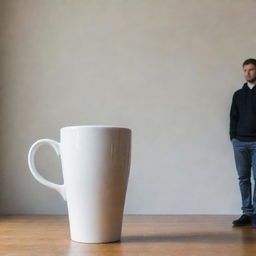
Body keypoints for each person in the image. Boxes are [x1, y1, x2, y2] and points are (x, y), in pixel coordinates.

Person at [230, 58, 256, 227]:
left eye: (251, 69)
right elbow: (233, 117)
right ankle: (246, 213)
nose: (248, 73)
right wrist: (233, 137)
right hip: (240, 142)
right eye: (245, 70)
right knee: (243, 178)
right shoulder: (238, 94)